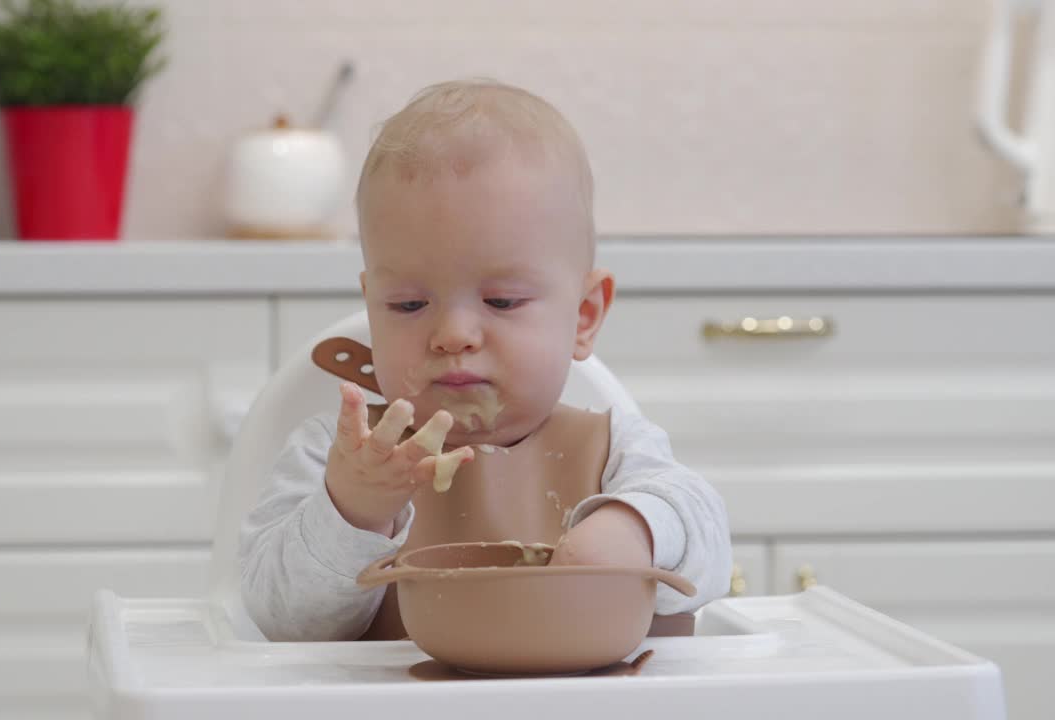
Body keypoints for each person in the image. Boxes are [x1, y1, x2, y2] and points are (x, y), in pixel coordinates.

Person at [240, 79, 731, 641]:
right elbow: (280, 622)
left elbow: (709, 551)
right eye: (408, 304)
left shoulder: (618, 452)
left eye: (501, 301)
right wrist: (353, 512)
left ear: (585, 315)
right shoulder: (331, 458)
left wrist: (635, 528)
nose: (452, 334)